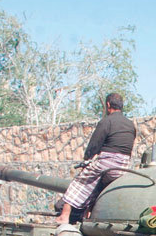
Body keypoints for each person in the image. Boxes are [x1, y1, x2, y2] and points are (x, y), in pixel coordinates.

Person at [56, 92, 137, 224]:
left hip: (107, 163)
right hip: (124, 166)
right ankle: (87, 213)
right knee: (97, 184)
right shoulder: (130, 125)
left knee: (79, 182)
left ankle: (64, 215)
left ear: (108, 105)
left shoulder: (107, 121)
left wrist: (86, 160)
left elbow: (94, 146)